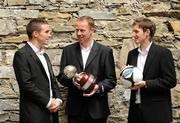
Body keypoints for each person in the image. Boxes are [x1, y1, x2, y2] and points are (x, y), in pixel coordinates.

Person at [57, 16, 116, 123]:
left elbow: (111, 80)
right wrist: (73, 81)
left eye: (82, 30)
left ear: (92, 30)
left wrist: (97, 87)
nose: (79, 33)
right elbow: (61, 77)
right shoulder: (68, 50)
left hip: (97, 110)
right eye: (77, 30)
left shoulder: (105, 52)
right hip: (75, 110)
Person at [126, 17, 177, 123]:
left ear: (147, 32)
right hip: (135, 112)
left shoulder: (163, 53)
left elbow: (170, 81)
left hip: (156, 112)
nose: (132, 35)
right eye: (132, 31)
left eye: (136, 31)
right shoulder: (132, 54)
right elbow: (130, 77)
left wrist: (146, 83)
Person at [13, 18, 62, 123]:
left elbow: (53, 81)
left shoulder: (45, 56)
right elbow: (26, 84)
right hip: (33, 115)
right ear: (35, 33)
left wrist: (58, 99)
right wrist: (48, 102)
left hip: (52, 114)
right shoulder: (21, 55)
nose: (49, 35)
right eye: (46, 32)